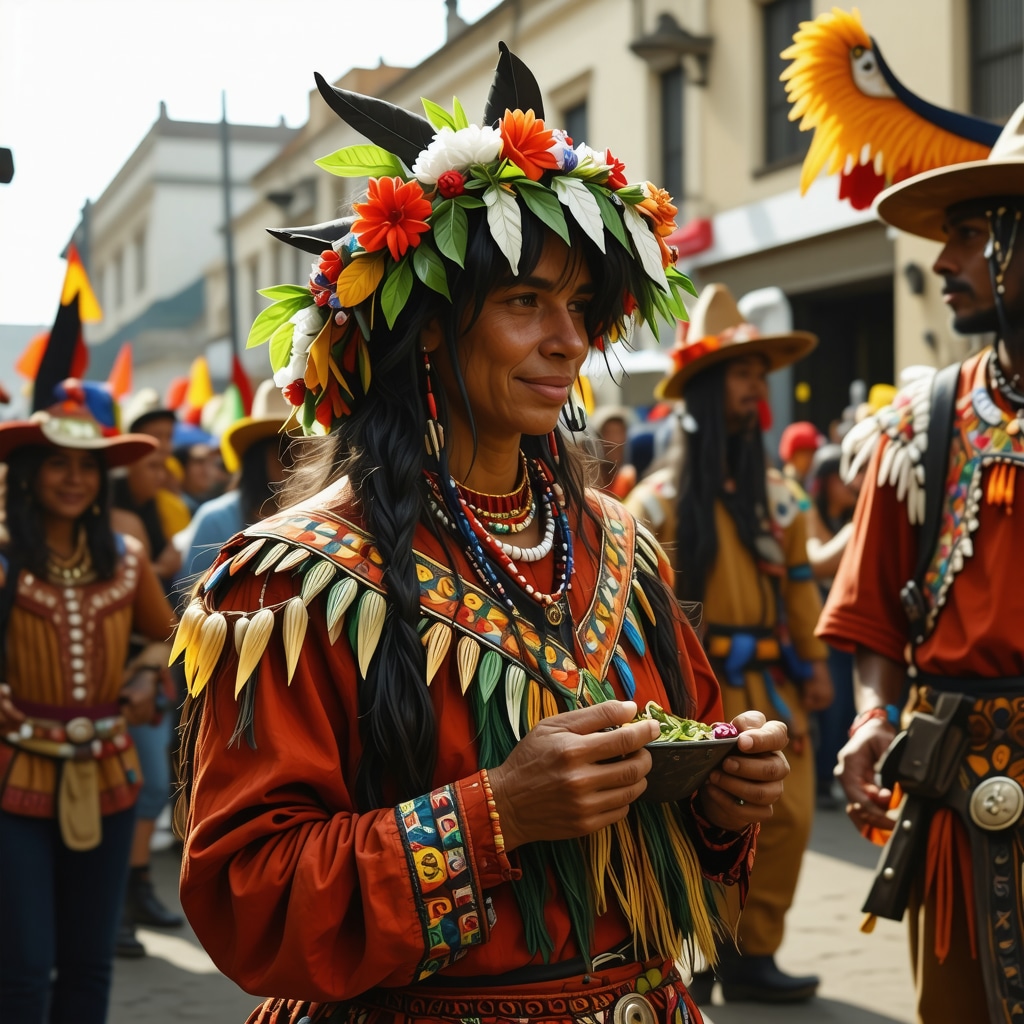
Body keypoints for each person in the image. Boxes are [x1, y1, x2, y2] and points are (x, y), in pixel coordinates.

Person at [174, 46, 791, 1024]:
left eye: (580, 306)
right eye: (523, 302)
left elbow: (680, 796)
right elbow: (248, 894)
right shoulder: (286, 584)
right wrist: (495, 812)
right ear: (427, 327)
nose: (568, 339)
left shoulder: (620, 547)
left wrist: (724, 785)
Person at [817, 102, 1024, 1023]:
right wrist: (869, 715)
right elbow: (871, 617)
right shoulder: (918, 426)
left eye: (972, 234)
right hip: (955, 796)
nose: (943, 261)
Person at [624, 282, 832, 1004]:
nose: (756, 387)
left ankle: (752, 953)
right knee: (702, 826)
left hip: (774, 684)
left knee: (793, 816)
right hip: (697, 691)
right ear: (709, 389)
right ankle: (704, 953)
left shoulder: (782, 495)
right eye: (742, 374)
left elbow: (801, 589)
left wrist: (816, 666)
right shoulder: (650, 504)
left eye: (757, 374)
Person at [0, 379, 176, 1023]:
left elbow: (174, 642)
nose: (75, 479)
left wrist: (145, 674)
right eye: (57, 462)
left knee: (89, 960)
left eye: (87, 467)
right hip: (11, 777)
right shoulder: (2, 556)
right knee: (20, 966)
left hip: (109, 772)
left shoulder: (126, 559)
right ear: (27, 471)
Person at [173, 379, 296, 589]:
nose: (298, 462)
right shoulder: (215, 519)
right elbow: (189, 602)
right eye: (285, 451)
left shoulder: (315, 516)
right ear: (257, 458)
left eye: (306, 449)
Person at [804, 443, 860, 806]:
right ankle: (823, 778)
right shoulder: (808, 512)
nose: (852, 482)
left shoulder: (847, 516)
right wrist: (857, 529)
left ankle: (831, 774)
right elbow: (816, 562)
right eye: (843, 475)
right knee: (832, 705)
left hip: (847, 628)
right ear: (825, 481)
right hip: (818, 626)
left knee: (848, 705)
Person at [587, 404, 637, 498]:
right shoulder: (587, 482)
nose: (616, 440)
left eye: (620, 432)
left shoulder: (629, 478)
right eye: (608, 433)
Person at [777, 420, 821, 504]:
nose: (810, 458)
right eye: (805, 453)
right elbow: (804, 508)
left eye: (812, 453)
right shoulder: (785, 484)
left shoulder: (807, 482)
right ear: (792, 454)